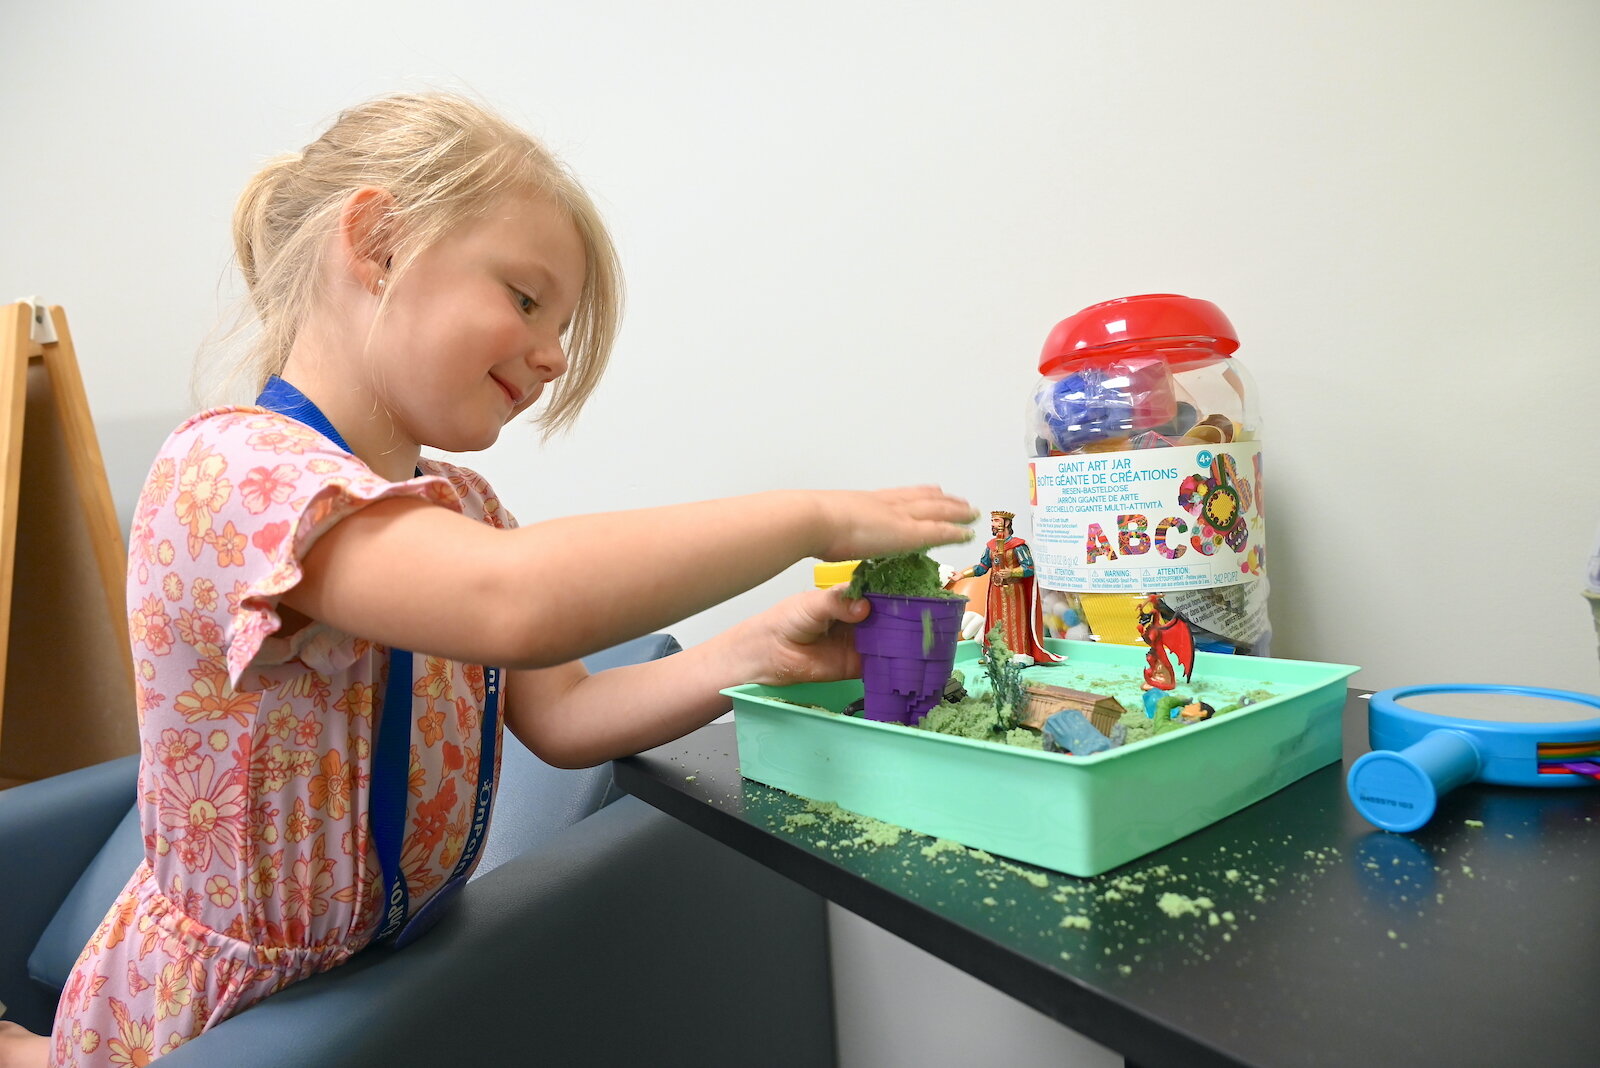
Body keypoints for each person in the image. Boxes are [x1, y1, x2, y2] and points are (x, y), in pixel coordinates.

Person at [0, 92, 974, 1068]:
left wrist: (754, 651)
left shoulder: (459, 506)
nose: (552, 356)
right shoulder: (234, 474)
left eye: (562, 324)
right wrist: (807, 516)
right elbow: (512, 603)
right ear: (378, 243)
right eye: (524, 298)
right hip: (203, 1018)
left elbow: (563, 715)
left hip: (382, 982)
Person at [947, 510, 1060, 664]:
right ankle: (996, 654)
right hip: (995, 592)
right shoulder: (991, 546)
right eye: (992, 521)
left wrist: (1012, 572)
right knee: (995, 622)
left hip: (1014, 591)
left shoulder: (1018, 546)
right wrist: (961, 575)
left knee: (1015, 622)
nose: (993, 524)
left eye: (996, 520)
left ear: (1006, 523)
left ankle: (1019, 656)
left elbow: (1029, 568)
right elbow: (982, 567)